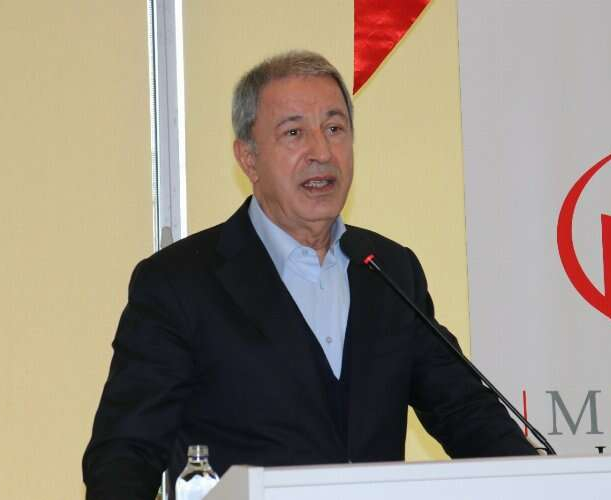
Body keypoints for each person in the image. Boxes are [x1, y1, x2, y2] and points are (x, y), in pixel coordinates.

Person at [83, 50, 536, 500]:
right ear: (249, 159)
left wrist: (545, 482)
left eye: (335, 129)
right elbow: (125, 453)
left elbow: (465, 412)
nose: (321, 152)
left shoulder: (388, 270)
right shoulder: (179, 282)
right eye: (294, 133)